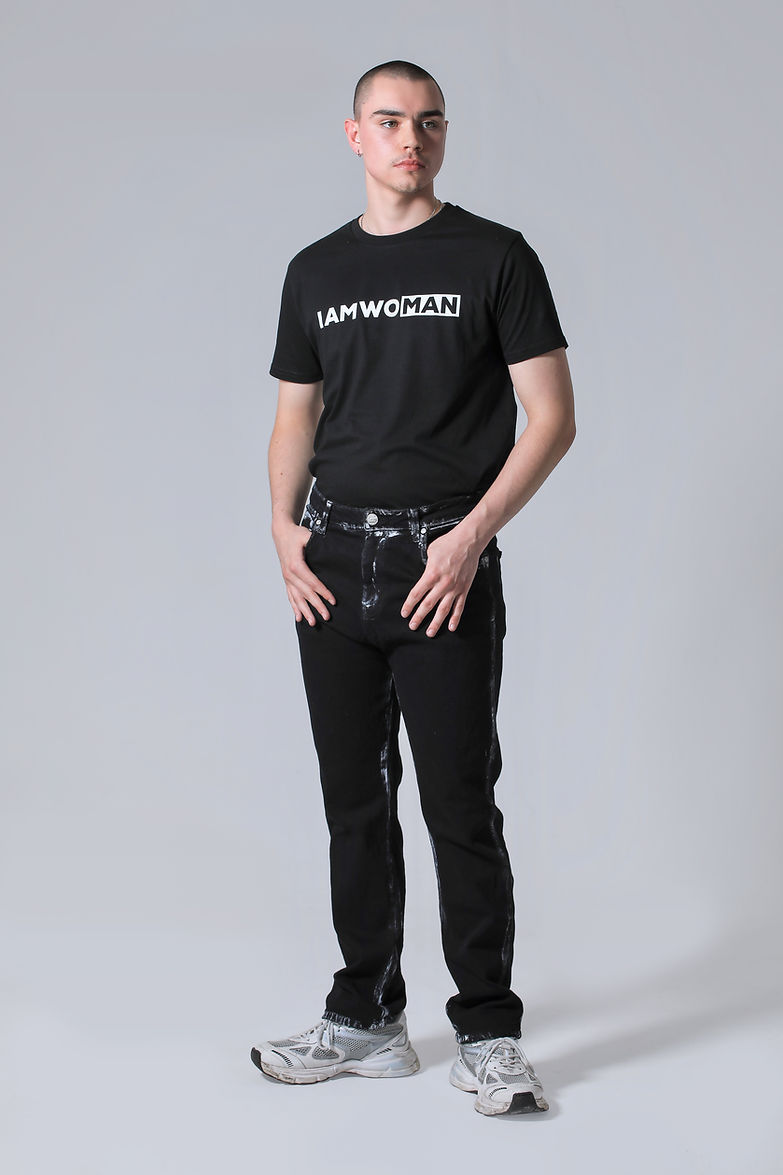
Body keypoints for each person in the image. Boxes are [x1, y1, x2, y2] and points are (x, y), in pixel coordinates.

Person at [251, 59, 575, 1117]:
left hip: (443, 564)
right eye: (389, 121)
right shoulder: (314, 269)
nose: (411, 139)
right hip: (332, 562)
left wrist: (472, 537)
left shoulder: (494, 255)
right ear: (355, 135)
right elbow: (296, 415)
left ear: (444, 134)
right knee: (354, 801)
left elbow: (552, 418)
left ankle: (487, 1031)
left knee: (457, 803)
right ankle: (367, 1017)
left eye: (429, 122)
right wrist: (282, 530)